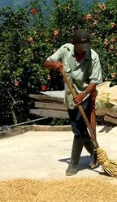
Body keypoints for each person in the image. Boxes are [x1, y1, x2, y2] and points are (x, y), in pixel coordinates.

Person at [43, 29, 104, 176]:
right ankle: (95, 152)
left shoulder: (93, 57)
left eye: (85, 48)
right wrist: (54, 65)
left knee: (78, 131)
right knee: (79, 129)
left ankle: (73, 164)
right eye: (80, 49)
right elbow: (45, 63)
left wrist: (83, 95)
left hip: (86, 95)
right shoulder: (65, 50)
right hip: (70, 97)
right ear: (73, 44)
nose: (83, 52)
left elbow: (94, 81)